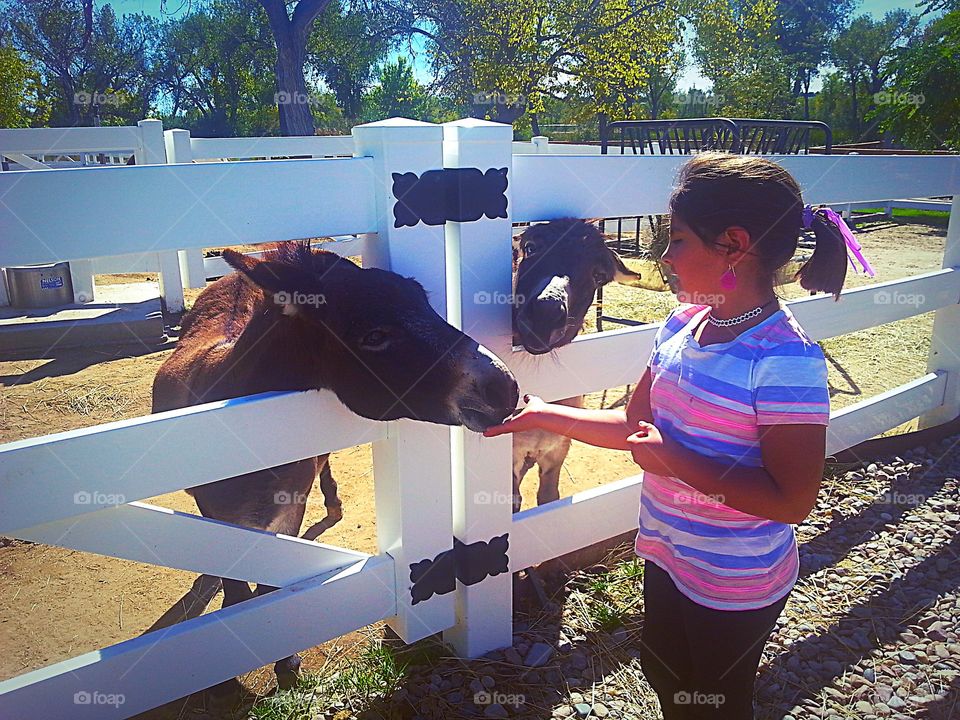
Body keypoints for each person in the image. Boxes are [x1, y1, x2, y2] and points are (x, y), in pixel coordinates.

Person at [484, 153, 853, 719]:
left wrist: (676, 462)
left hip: (735, 578)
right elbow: (635, 429)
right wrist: (543, 414)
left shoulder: (786, 359)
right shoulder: (681, 326)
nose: (664, 256)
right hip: (666, 550)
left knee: (714, 698)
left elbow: (793, 499)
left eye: (677, 240)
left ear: (732, 245)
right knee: (662, 670)